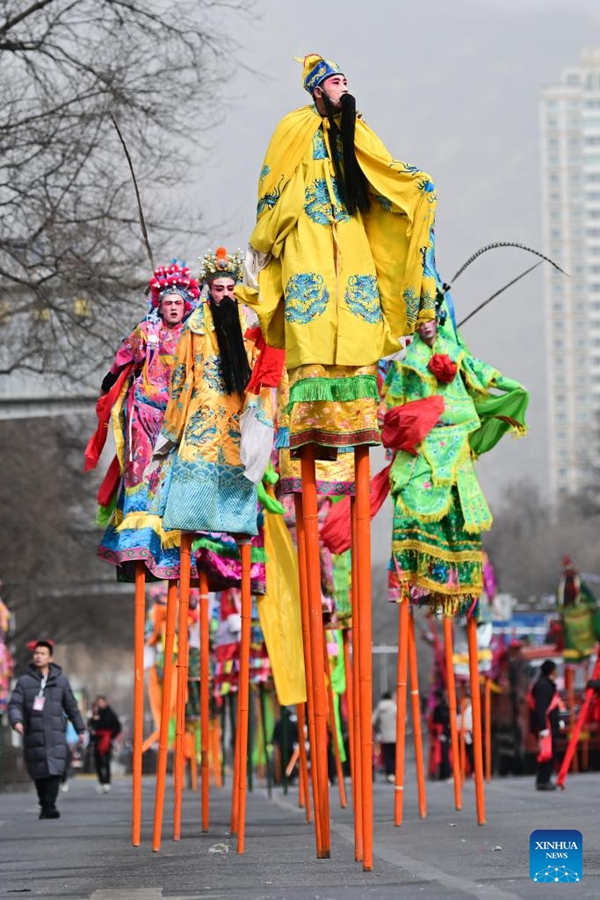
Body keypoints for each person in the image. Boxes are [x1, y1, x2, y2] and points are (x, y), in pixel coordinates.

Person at [237, 54, 438, 456]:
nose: (343, 87)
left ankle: (357, 418)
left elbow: (383, 171)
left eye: (345, 81)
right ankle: (312, 421)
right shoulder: (292, 128)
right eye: (335, 82)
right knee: (310, 320)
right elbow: (272, 185)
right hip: (304, 237)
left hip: (350, 236)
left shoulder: (356, 128)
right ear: (317, 90)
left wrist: (416, 188)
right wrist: (267, 238)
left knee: (357, 315)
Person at [385, 311, 528, 615]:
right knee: (409, 505)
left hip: (455, 445)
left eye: (430, 320)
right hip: (422, 446)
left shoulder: (456, 353)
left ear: (438, 322)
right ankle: (418, 578)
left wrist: (513, 387)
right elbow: (393, 403)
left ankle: (454, 583)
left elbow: (484, 373)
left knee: (459, 515)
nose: (425, 327)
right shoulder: (407, 363)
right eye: (419, 321)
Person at [151, 247, 280, 536]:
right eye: (218, 288)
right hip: (202, 413)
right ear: (209, 289)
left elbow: (262, 371)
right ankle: (189, 526)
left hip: (241, 409)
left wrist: (262, 417)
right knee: (196, 466)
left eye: (231, 288)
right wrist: (173, 428)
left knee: (240, 467)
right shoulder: (195, 325)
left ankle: (238, 529)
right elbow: (181, 378)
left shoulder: (251, 321)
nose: (225, 294)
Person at [88, 261, 200, 580]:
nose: (174, 308)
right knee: (139, 473)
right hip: (146, 413)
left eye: (179, 303)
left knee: (171, 478)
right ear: (159, 305)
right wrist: (111, 379)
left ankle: (173, 540)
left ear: (186, 304)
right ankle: (136, 538)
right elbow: (125, 355)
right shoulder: (148, 330)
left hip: (178, 418)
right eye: (168, 303)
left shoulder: (194, 332)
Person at [8, 640, 85, 818]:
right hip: (33, 735)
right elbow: (14, 704)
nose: (38, 656)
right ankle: (45, 804)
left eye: (42, 653)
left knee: (56, 770)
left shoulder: (61, 681)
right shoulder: (24, 681)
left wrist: (80, 729)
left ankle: (49, 806)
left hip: (56, 734)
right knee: (39, 772)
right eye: (36, 653)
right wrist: (16, 721)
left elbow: (71, 707)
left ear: (50, 657)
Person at [530, 660, 560, 791]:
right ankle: (544, 780)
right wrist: (543, 728)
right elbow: (541, 708)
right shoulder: (543, 686)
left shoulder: (545, 683)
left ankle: (543, 780)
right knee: (547, 754)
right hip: (546, 726)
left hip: (548, 725)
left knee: (548, 753)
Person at [88, 695, 122, 792]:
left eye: (102, 702)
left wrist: (111, 737)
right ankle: (101, 781)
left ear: (105, 702)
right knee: (97, 762)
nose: (100, 704)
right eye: (99, 702)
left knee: (106, 762)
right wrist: (93, 720)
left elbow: (118, 727)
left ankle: (107, 782)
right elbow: (90, 726)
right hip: (97, 740)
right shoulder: (95, 713)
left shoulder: (111, 714)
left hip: (107, 740)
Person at [372, 691, 397, 783]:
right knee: (395, 756)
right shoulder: (395, 707)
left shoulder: (379, 707)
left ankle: (389, 774)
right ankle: (394, 773)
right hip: (395, 735)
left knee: (387, 756)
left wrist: (378, 730)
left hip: (385, 736)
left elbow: (372, 720)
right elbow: (403, 719)